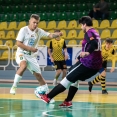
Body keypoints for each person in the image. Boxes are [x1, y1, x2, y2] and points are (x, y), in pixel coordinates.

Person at [37, 16, 102, 107]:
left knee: (67, 79)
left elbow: (94, 44)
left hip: (87, 64)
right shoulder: (95, 32)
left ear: (84, 24)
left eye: (81, 25)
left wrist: (87, 52)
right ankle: (68, 101)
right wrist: (80, 57)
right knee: (75, 79)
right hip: (96, 66)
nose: (80, 27)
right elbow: (93, 46)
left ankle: (48, 97)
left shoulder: (89, 33)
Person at [10, 14, 63, 95]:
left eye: (37, 23)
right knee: (23, 65)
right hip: (21, 53)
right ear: (30, 21)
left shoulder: (39, 31)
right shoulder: (23, 30)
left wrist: (57, 34)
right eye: (34, 22)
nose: (35, 24)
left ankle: (47, 95)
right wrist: (31, 49)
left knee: (39, 76)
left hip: (31, 56)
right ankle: (14, 86)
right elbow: (18, 43)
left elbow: (50, 35)